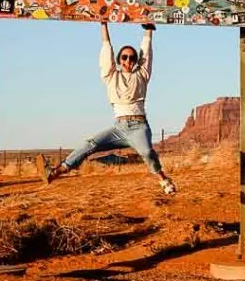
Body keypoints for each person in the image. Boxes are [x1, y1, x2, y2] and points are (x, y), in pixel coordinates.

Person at [37, 21, 176, 194]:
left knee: (146, 152)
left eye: (132, 57)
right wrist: (104, 24)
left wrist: (148, 31)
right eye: (124, 57)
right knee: (90, 144)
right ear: (118, 60)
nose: (128, 60)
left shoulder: (142, 75)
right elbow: (106, 49)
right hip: (119, 127)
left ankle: (163, 179)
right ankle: (54, 173)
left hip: (138, 127)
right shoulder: (111, 76)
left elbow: (146, 53)